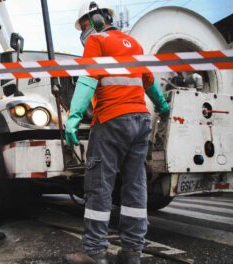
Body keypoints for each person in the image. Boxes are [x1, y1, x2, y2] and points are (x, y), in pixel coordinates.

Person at [64, 1, 169, 264]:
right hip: (140, 121)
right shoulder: (133, 45)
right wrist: (163, 106)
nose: (84, 31)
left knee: (98, 185)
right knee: (135, 186)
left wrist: (73, 118)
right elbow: (149, 82)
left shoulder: (97, 41)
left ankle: (94, 253)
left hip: (111, 120)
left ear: (97, 19)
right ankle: (132, 252)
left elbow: (88, 79)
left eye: (84, 25)